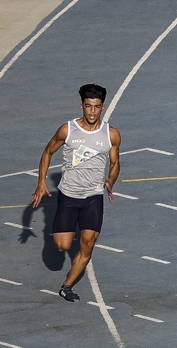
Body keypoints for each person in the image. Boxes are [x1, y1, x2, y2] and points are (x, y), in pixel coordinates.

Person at [30, 84, 122, 302]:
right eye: (88, 106)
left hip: (93, 197)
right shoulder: (68, 130)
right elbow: (47, 151)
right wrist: (41, 182)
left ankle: (66, 285)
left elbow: (116, 163)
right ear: (81, 105)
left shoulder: (111, 135)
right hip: (69, 196)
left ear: (103, 107)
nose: (92, 112)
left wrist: (111, 180)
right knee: (62, 246)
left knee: (89, 242)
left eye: (96, 107)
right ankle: (71, 232)